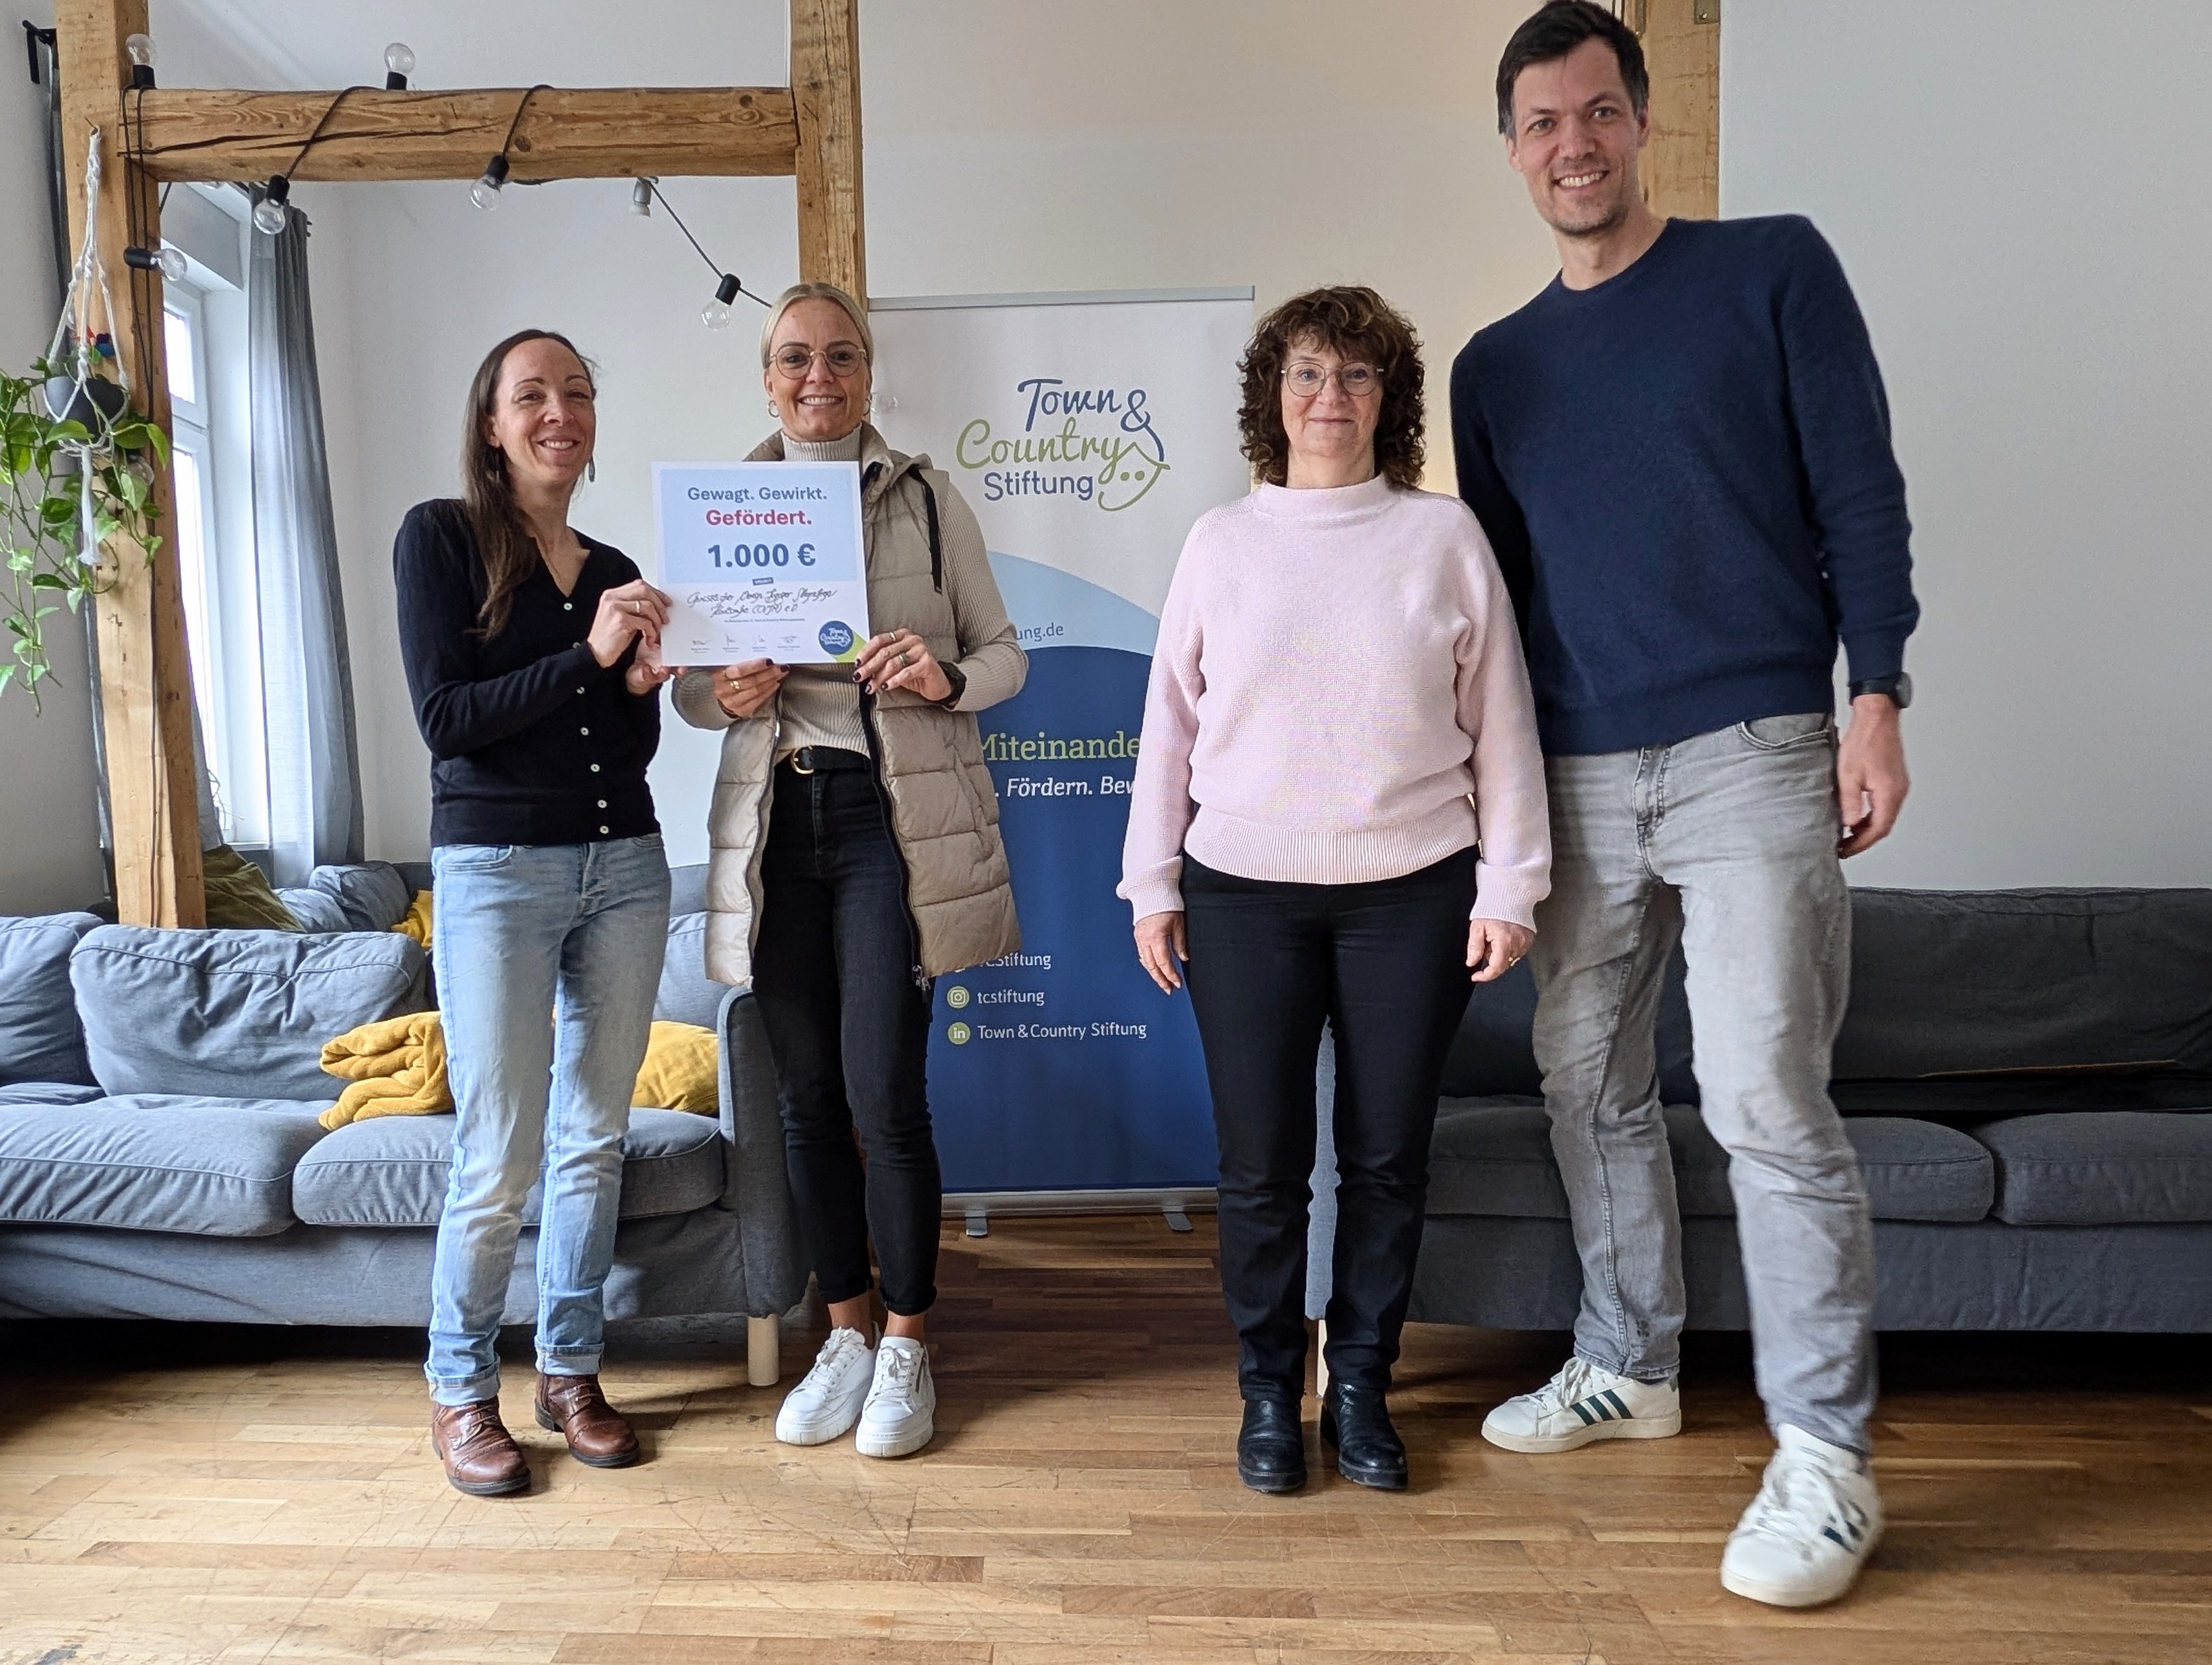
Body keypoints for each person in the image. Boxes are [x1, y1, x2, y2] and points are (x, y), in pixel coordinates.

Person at [1454, 1, 1920, 1608]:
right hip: (1577, 771)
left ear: (1642, 120)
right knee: (1582, 1077)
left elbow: (1860, 489)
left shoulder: (1771, 269)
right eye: (1541, 123)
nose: (1572, 144)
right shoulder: (1495, 368)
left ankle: (1825, 1456)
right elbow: (1499, 602)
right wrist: (1494, 798)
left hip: (1756, 745)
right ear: (1512, 151)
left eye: (1597, 111)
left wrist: (1878, 693)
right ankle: (1628, 1360)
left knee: (1765, 1095)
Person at [1120, 286, 1551, 1496]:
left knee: (1386, 1158)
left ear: (1387, 400)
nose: (1330, 396)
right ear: (1273, 396)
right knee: (1261, 1165)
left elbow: (1503, 721)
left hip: (1412, 891)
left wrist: (1512, 885)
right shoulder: (1220, 542)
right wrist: (1152, 883)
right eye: (1307, 372)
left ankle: (1360, 1381)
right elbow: (1168, 727)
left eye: (1357, 375)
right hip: (1242, 891)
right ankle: (1270, 1388)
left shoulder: (1445, 538)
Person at [672, 282, 1026, 1461]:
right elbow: (687, 690)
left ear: (869, 373)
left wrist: (942, 675)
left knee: (885, 1093)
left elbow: (1005, 655)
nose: (817, 377)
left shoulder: (925, 498)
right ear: (766, 379)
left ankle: (911, 1342)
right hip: (777, 824)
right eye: (793, 358)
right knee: (806, 1100)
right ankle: (846, 1333)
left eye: (839, 356)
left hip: (889, 821)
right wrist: (719, 690)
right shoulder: (725, 505)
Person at [395, 328, 677, 1496]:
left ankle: (570, 1370)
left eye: (577, 392)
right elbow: (446, 719)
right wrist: (587, 656)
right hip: (498, 868)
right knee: (499, 1147)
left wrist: (637, 686)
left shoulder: (615, 564)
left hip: (626, 865)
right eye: (532, 395)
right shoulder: (440, 537)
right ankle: (462, 1390)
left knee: (593, 1139)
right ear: (492, 422)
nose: (559, 411)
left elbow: (620, 747)